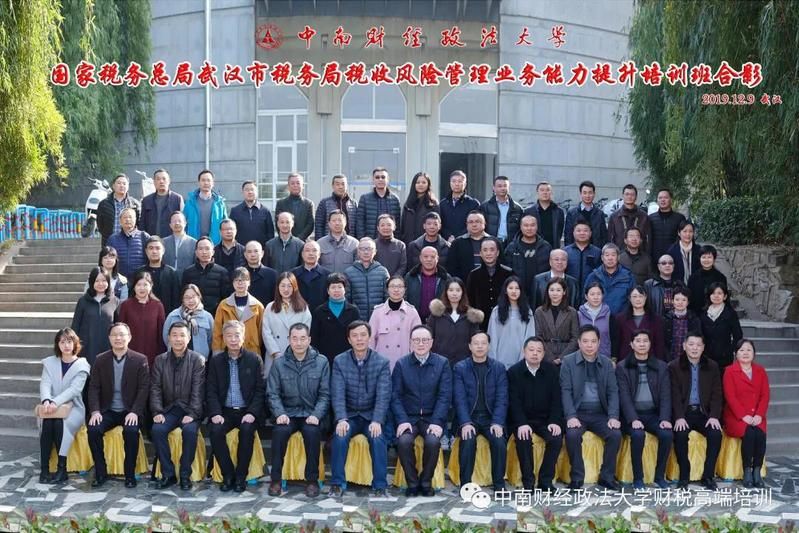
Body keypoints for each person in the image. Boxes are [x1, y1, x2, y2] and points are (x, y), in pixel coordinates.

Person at [328, 321, 392, 498]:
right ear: (349, 339)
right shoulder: (340, 361)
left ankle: (380, 485)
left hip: (371, 415)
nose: (359, 339)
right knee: (340, 436)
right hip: (349, 415)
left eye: (363, 335)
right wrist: (341, 418)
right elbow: (337, 393)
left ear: (369, 337)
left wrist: (377, 420)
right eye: (355, 336)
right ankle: (337, 483)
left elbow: (383, 395)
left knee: (378, 438)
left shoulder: (381, 362)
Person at [267, 323, 330, 498]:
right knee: (279, 433)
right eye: (294, 338)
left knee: (312, 433)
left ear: (309, 340)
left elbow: (325, 395)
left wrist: (316, 415)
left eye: (303, 338)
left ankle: (312, 480)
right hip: (288, 413)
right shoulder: (279, 363)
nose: (299, 343)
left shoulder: (321, 362)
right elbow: (272, 393)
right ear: (289, 340)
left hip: (310, 413)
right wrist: (280, 413)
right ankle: (275, 479)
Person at [87, 323, 149, 489]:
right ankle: (101, 472)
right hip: (107, 410)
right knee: (93, 430)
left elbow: (144, 389)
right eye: (114, 335)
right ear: (109, 338)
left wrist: (135, 412)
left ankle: (130, 474)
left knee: (131, 431)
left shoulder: (140, 360)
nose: (118, 338)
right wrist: (95, 411)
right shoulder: (101, 360)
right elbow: (94, 387)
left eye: (122, 334)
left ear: (129, 337)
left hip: (130, 411)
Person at [560, 325, 622, 491]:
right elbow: (565, 391)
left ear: (599, 342)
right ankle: (577, 478)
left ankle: (607, 477)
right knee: (572, 435)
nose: (589, 345)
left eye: (593, 341)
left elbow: (613, 391)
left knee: (615, 435)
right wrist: (571, 416)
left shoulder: (607, 363)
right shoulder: (568, 362)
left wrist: (613, 416)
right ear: (579, 342)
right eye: (585, 341)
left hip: (600, 414)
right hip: (578, 413)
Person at [393, 325, 452, 497]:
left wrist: (437, 421)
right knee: (403, 442)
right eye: (416, 340)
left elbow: (444, 396)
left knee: (433, 442)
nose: (420, 344)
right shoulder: (402, 364)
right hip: (409, 418)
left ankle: (426, 482)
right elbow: (395, 396)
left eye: (425, 340)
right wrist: (402, 420)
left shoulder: (442, 363)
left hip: (432, 417)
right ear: (410, 343)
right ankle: (412, 483)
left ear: (431, 342)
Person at [206, 320, 265, 492]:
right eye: (229, 336)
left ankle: (241, 476)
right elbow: (211, 391)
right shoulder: (216, 361)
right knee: (215, 431)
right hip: (224, 411)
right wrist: (215, 413)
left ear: (243, 337)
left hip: (247, 411)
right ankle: (228, 474)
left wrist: (252, 412)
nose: (233, 340)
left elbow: (260, 390)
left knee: (247, 431)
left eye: (237, 335)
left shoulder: (254, 360)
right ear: (223, 338)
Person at [150, 321, 205, 491]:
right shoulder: (160, 360)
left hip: (189, 410)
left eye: (182, 335)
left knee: (189, 431)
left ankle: (185, 474)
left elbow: (198, 390)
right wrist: (157, 411)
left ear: (189, 338)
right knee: (157, 430)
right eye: (174, 335)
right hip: (169, 409)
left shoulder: (197, 360)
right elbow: (155, 388)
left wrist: (193, 413)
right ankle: (168, 474)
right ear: (168, 338)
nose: (178, 339)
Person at [615, 329, 672, 489]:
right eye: (638, 341)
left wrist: (664, 418)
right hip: (632, 416)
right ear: (631, 344)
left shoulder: (661, 366)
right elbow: (624, 397)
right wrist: (633, 419)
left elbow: (666, 395)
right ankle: (638, 478)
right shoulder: (622, 367)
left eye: (645, 341)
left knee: (667, 434)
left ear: (650, 344)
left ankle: (659, 476)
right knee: (638, 435)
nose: (642, 344)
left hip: (653, 415)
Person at [453, 331, 508, 492]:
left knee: (499, 441)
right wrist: (465, 422)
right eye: (476, 343)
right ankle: (466, 485)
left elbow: (502, 398)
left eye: (483, 343)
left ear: (489, 346)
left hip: (491, 418)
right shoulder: (460, 368)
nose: (480, 346)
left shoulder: (498, 368)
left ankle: (499, 485)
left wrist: (497, 422)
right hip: (470, 417)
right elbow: (459, 398)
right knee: (468, 440)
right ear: (470, 346)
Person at [507, 337, 563, 492]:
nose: (535, 354)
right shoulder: (514, 372)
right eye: (531, 350)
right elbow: (513, 402)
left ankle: (545, 480)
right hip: (522, 420)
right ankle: (528, 482)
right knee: (523, 438)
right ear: (524, 352)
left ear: (544, 353)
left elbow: (556, 399)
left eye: (539, 351)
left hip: (545, 420)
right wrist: (521, 423)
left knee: (556, 439)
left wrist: (554, 421)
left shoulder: (551, 370)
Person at [669, 332, 723, 490]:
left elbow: (717, 394)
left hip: (703, 413)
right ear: (684, 346)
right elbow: (674, 395)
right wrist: (679, 417)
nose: (695, 348)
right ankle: (684, 475)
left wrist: (714, 416)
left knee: (715, 434)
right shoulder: (674, 366)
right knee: (680, 434)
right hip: (683, 412)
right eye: (691, 344)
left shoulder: (712, 366)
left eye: (698, 345)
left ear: (703, 347)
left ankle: (708, 476)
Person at [38, 328, 91, 484]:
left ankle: (62, 469)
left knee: (60, 424)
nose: (66, 345)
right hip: (51, 406)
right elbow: (45, 384)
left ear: (75, 343)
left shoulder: (82, 365)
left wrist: (55, 402)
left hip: (74, 408)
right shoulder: (50, 362)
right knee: (48, 423)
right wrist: (46, 400)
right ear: (58, 344)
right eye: (62, 342)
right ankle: (44, 469)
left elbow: (74, 390)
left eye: (69, 341)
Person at [722, 339, 770, 489]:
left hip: (757, 416)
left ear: (754, 353)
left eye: (749, 350)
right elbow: (730, 397)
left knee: (760, 434)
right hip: (736, 416)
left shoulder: (760, 371)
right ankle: (747, 471)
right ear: (736, 354)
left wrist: (759, 415)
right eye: (741, 350)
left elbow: (765, 395)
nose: (745, 353)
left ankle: (757, 471)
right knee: (749, 433)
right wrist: (743, 416)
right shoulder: (729, 371)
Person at [262, 272, 312, 377]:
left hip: (296, 355)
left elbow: (305, 334)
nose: (286, 289)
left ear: (294, 287)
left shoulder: (303, 308)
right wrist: (275, 353)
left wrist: (294, 352)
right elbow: (266, 333)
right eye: (283, 286)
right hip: (274, 355)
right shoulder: (270, 307)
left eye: (289, 286)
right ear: (278, 287)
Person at [368, 276, 422, 371]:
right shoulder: (378, 312)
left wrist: (414, 361)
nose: (396, 290)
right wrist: (371, 361)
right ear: (387, 289)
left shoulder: (412, 312)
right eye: (392, 286)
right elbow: (370, 339)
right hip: (381, 363)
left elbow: (417, 339)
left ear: (405, 289)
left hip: (405, 363)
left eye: (400, 286)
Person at [427, 278, 484, 366]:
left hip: (464, 365)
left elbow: (475, 342)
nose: (454, 293)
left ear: (462, 293)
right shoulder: (436, 314)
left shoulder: (471, 316)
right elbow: (428, 338)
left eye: (458, 290)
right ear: (446, 292)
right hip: (439, 364)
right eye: (451, 290)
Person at [71, 267, 119, 365]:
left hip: (107, 348)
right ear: (91, 282)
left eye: (104, 280)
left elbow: (118, 326)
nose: (100, 284)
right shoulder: (83, 301)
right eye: (97, 281)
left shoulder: (115, 302)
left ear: (108, 282)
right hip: (87, 349)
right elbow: (75, 326)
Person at [119, 271, 166, 368]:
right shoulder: (126, 305)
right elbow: (120, 330)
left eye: (145, 285)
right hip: (130, 354)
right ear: (134, 287)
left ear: (151, 286)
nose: (142, 288)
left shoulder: (158, 305)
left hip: (152, 355)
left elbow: (161, 333)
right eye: (139, 285)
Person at [213, 267, 265, 356]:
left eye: (243, 280)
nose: (240, 283)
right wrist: (217, 352)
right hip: (228, 351)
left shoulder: (258, 306)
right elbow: (217, 331)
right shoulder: (223, 305)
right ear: (233, 283)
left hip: (251, 351)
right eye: (237, 280)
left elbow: (261, 332)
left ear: (249, 282)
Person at [310, 273, 361, 365]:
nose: (336, 290)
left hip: (348, 359)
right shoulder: (319, 311)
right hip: (325, 359)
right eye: (333, 287)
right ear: (328, 291)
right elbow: (314, 338)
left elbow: (358, 335)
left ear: (344, 289)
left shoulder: (353, 311)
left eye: (339, 287)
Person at [466, 237, 514, 329]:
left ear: (498, 253)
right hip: (480, 324)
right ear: (480, 253)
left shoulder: (509, 273)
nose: (488, 253)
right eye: (485, 250)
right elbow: (469, 301)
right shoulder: (474, 275)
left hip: (505, 322)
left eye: (492, 250)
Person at [487, 276, 535, 369]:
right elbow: (492, 337)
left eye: (517, 288)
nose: (514, 291)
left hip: (521, 360)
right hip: (500, 360)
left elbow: (530, 337)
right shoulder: (497, 311)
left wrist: (524, 359)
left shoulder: (527, 312)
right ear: (505, 290)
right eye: (511, 288)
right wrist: (494, 361)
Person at [502, 215, 551, 301]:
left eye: (532, 225)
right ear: (520, 227)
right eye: (526, 225)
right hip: (518, 293)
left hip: (541, 292)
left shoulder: (546, 247)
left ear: (537, 226)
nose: (529, 228)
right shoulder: (512, 247)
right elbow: (506, 271)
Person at [612, 285, 665, 362]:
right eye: (634, 296)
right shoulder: (620, 319)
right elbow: (616, 342)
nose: (638, 299)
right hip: (626, 361)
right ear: (629, 298)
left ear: (645, 297)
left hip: (650, 361)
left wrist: (659, 363)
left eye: (641, 296)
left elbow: (659, 345)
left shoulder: (656, 319)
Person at [180, 236, 232, 316]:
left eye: (207, 249)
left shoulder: (222, 272)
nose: (204, 252)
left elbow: (226, 299)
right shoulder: (188, 272)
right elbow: (183, 297)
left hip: (215, 316)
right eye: (200, 249)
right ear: (196, 252)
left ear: (213, 252)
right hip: (192, 316)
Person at [533, 278, 579, 365]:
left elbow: (575, 338)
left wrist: (562, 358)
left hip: (566, 355)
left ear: (564, 292)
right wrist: (549, 357)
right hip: (545, 354)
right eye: (552, 290)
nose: (555, 293)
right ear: (547, 292)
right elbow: (538, 336)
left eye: (558, 290)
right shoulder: (539, 312)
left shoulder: (572, 312)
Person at [700, 282, 743, 374]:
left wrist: (730, 350)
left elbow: (738, 335)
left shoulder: (730, 314)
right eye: (713, 293)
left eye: (719, 293)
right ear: (709, 295)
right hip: (706, 357)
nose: (716, 296)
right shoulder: (703, 314)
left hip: (724, 358)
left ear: (725, 296)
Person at [163, 284, 215, 360]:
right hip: (176, 359)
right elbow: (166, 337)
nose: (190, 301)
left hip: (200, 360)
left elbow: (211, 339)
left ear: (199, 297)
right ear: (182, 299)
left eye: (193, 297)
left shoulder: (207, 317)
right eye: (186, 297)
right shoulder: (173, 315)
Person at [344, 237, 389, 321]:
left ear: (375, 252)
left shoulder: (383, 271)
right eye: (362, 249)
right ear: (358, 252)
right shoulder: (349, 272)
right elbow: (346, 299)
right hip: (357, 320)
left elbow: (387, 296)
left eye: (369, 249)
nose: (366, 252)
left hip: (379, 319)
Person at [133, 236, 181, 313]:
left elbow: (176, 300)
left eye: (157, 248)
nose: (154, 251)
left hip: (166, 315)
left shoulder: (171, 273)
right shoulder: (139, 272)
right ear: (146, 251)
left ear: (163, 250)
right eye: (151, 248)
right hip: (142, 314)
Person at [584, 243, 636, 315]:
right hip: (597, 318)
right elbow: (585, 299)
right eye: (607, 255)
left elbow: (633, 299)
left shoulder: (628, 276)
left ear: (618, 257)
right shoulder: (593, 276)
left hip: (622, 319)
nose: (610, 258)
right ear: (602, 258)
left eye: (613, 255)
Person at [404, 246, 450, 323]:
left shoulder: (446, 278)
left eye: (432, 257)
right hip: (413, 321)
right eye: (425, 256)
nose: (429, 259)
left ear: (437, 259)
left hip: (439, 322)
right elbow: (404, 298)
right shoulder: (410, 277)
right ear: (420, 258)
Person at [96, 173, 141, 247]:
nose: (122, 185)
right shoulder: (104, 204)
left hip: (130, 243)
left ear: (128, 186)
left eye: (124, 183)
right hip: (110, 243)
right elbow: (100, 225)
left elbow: (139, 223)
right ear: (113, 186)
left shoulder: (134, 204)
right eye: (119, 183)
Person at [356, 167, 401, 240]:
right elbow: (360, 223)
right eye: (377, 177)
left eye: (383, 177)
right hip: (370, 241)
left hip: (390, 242)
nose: (380, 179)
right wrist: (362, 240)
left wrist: (396, 240)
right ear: (373, 180)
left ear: (388, 179)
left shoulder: (395, 199)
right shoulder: (364, 199)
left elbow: (398, 223)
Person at [185, 169, 228, 245]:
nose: (206, 183)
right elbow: (184, 223)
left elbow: (225, 225)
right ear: (199, 182)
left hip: (215, 244)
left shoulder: (220, 204)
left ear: (213, 183)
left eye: (208, 180)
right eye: (203, 180)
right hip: (193, 243)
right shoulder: (190, 203)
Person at [139, 168, 184, 238]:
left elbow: (182, 221)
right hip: (151, 240)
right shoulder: (146, 200)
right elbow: (142, 223)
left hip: (171, 240)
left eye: (164, 179)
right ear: (154, 182)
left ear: (169, 181)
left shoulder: (177, 199)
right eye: (158, 179)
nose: (161, 181)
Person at [107, 208, 151, 278]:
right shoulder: (113, 239)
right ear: (120, 221)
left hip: (140, 280)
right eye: (125, 217)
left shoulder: (144, 236)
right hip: (119, 279)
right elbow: (107, 260)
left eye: (130, 217)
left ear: (135, 219)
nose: (128, 219)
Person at [446, 210, 490, 282]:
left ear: (484, 223)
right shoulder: (457, 243)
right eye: (471, 222)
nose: (474, 225)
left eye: (477, 221)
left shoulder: (493, 242)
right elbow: (451, 268)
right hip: (464, 284)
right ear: (466, 224)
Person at [229, 180, 275, 247]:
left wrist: (267, 250)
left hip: (260, 251)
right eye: (247, 190)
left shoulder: (265, 211)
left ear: (257, 192)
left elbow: (270, 234)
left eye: (252, 189)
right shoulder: (235, 211)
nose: (250, 192)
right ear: (242, 192)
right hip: (240, 250)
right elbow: (231, 232)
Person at [648, 188, 686, 269]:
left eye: (665, 197)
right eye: (660, 198)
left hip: (675, 258)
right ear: (657, 200)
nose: (662, 200)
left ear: (671, 200)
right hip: (655, 260)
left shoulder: (679, 218)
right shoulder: (651, 218)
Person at [564, 220, 603, 298]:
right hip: (569, 292)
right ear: (573, 233)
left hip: (591, 294)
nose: (582, 233)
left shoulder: (597, 252)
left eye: (585, 231)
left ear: (590, 233)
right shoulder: (565, 252)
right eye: (578, 231)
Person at [400, 171, 440, 245]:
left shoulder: (433, 203)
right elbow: (403, 226)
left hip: (426, 243)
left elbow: (438, 226)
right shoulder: (408, 204)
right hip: (409, 243)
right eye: (418, 182)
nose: (420, 185)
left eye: (424, 182)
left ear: (428, 184)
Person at [563, 180, 608, 247]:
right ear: (580, 194)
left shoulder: (600, 214)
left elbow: (604, 236)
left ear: (594, 194)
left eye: (590, 193)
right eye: (585, 193)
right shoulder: (572, 213)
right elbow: (568, 236)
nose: (587, 196)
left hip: (595, 250)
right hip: (577, 250)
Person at [440, 170, 480, 242]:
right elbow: (440, 223)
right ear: (450, 183)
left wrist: (457, 237)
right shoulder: (443, 204)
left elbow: (474, 224)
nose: (457, 184)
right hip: (446, 242)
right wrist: (448, 236)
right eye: (454, 181)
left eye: (460, 181)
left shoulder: (473, 204)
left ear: (465, 184)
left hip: (467, 241)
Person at [479, 176, 523, 243]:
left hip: (511, 244)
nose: (503, 188)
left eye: (505, 186)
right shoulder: (485, 206)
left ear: (509, 187)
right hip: (491, 243)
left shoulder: (517, 208)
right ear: (494, 188)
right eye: (499, 186)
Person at [663, 287, 701, 363]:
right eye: (677, 300)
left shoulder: (694, 319)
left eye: (684, 300)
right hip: (669, 359)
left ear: (688, 302)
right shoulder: (665, 319)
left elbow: (698, 340)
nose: (680, 302)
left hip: (689, 359)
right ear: (672, 301)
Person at [577, 282, 614, 360]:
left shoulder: (609, 315)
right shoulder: (579, 315)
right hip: (582, 358)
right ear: (586, 296)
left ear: (602, 296)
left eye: (598, 294)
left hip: (604, 357)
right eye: (592, 294)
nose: (596, 297)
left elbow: (614, 339)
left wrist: (613, 359)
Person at [315, 174, 358, 239]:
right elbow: (319, 225)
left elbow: (357, 225)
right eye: (337, 184)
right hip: (329, 241)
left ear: (347, 186)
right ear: (333, 186)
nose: (340, 187)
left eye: (343, 184)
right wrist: (320, 242)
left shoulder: (353, 203)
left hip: (349, 241)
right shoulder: (324, 203)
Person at [607, 184, 649, 251]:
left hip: (640, 254)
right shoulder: (614, 217)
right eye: (627, 194)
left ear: (636, 197)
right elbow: (610, 239)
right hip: (620, 255)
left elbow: (647, 239)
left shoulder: (644, 216)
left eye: (632, 194)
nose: (629, 197)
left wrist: (647, 254)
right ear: (623, 196)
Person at [291, 241, 330, 312]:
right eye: (307, 250)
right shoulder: (292, 274)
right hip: (297, 313)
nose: (311, 253)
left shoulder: (328, 275)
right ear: (302, 254)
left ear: (319, 254)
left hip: (320, 315)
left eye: (314, 250)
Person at [523, 182, 565, 248]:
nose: (545, 192)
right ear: (537, 192)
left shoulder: (559, 211)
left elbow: (559, 231)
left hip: (553, 247)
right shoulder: (529, 211)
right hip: (534, 248)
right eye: (542, 190)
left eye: (548, 190)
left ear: (551, 192)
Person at [687, 245, 728, 313]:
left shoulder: (721, 278)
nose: (706, 260)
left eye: (709, 257)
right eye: (703, 257)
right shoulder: (693, 277)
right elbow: (690, 299)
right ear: (699, 258)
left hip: (715, 314)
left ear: (714, 259)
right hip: (696, 314)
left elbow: (724, 300)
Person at [275, 172, 315, 240]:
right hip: (285, 240)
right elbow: (278, 223)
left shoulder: (309, 204)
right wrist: (287, 239)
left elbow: (310, 224)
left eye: (298, 183)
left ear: (303, 186)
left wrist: (299, 239)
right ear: (288, 186)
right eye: (292, 183)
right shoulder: (281, 203)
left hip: (303, 241)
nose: (295, 185)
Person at [243, 241, 277, 308]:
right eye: (249, 252)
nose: (253, 255)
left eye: (256, 251)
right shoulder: (240, 274)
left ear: (262, 253)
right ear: (245, 255)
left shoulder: (272, 275)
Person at [163, 211, 197, 277]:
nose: (177, 223)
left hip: (187, 278)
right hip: (167, 278)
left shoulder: (194, 243)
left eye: (179, 221)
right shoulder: (163, 242)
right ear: (170, 225)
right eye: (174, 221)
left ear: (185, 223)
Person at [667, 220, 701, 285]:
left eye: (690, 231)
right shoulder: (672, 251)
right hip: (678, 286)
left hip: (696, 285)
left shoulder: (698, 249)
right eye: (685, 231)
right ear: (679, 233)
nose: (688, 234)